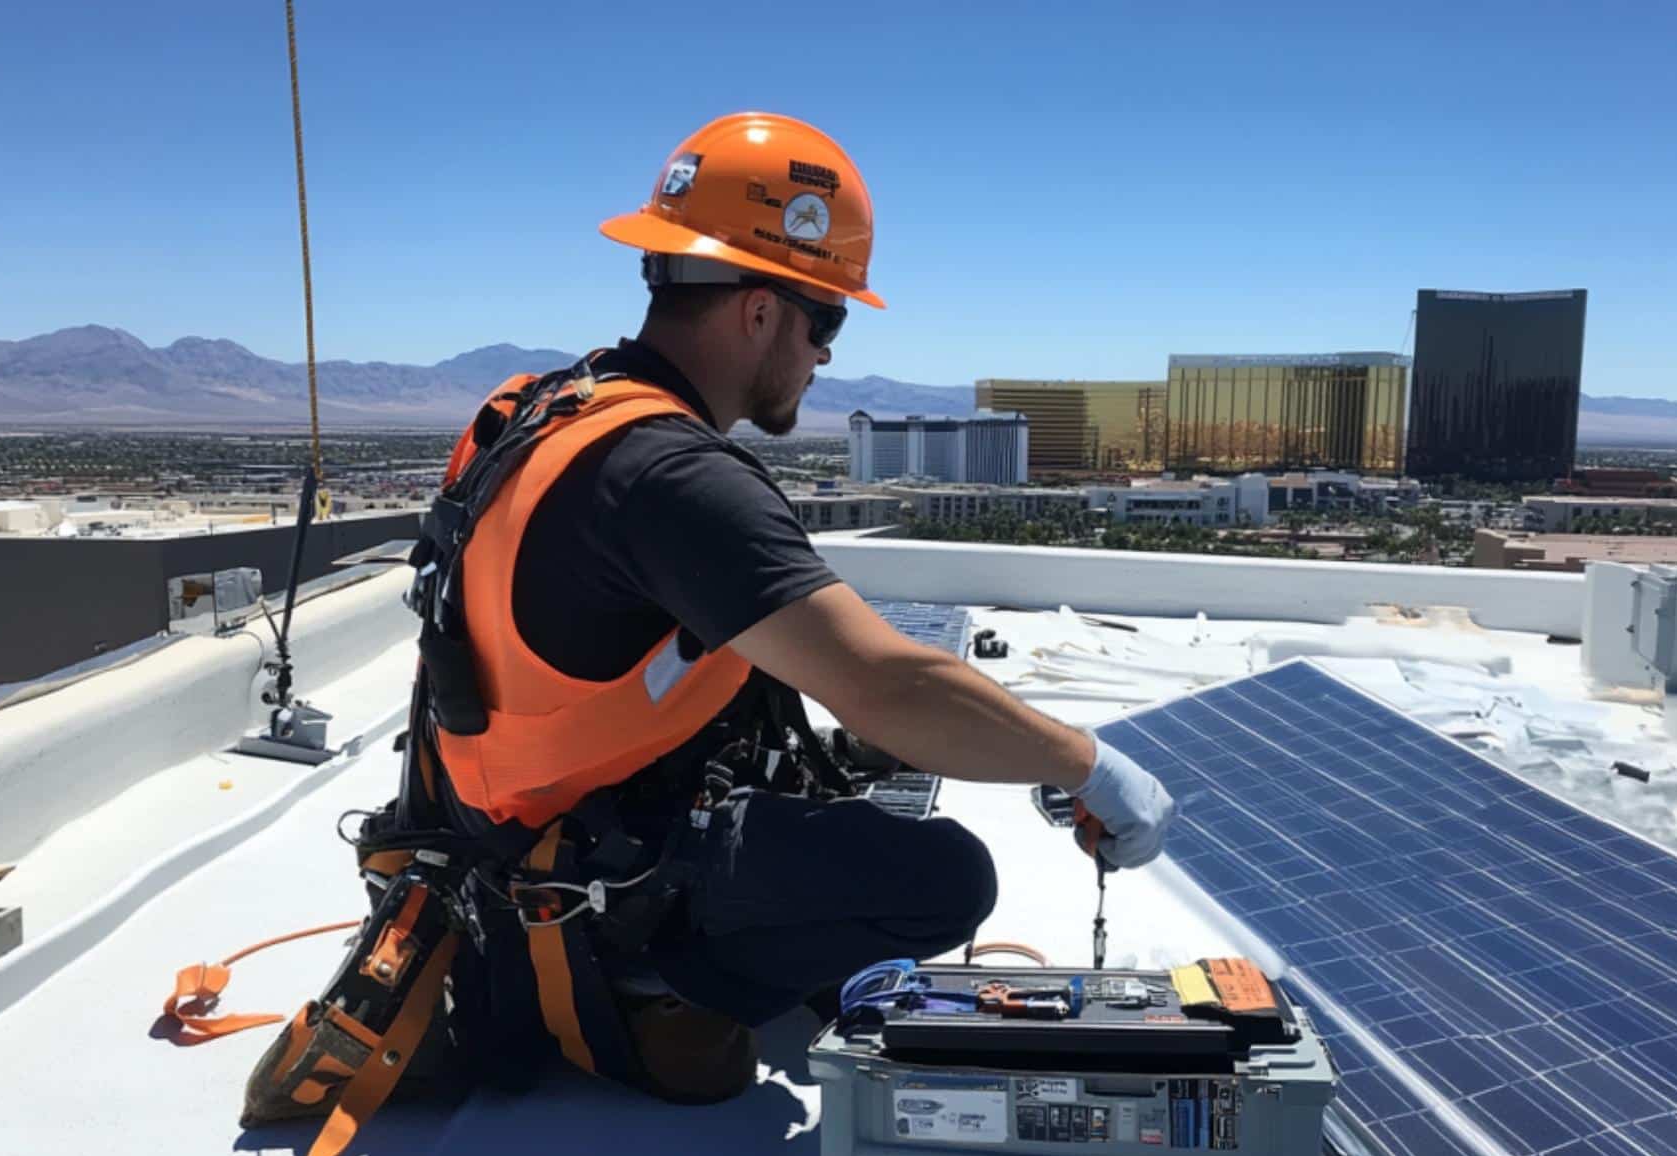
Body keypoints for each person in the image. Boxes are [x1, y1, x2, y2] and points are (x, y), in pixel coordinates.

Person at [412, 112, 1176, 1104]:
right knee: (945, 876)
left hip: (507, 835)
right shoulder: (675, 474)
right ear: (760, 312)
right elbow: (884, 682)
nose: (825, 357)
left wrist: (995, 744)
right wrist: (1085, 760)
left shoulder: (549, 407)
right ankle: (660, 986)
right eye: (829, 321)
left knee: (853, 782)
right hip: (584, 882)